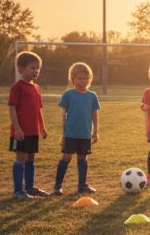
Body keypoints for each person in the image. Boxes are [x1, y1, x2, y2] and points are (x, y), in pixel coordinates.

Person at [53, 62, 101, 196]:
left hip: (85, 134)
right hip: (70, 134)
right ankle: (57, 187)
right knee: (66, 158)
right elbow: (63, 115)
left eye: (86, 78)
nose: (83, 81)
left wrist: (95, 132)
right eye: (79, 78)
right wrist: (63, 135)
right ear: (72, 79)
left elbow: (95, 115)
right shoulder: (68, 94)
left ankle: (82, 186)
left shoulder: (92, 95)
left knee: (82, 159)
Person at [8, 50, 48, 199]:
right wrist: (17, 128)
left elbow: (38, 109)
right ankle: (18, 191)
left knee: (31, 158)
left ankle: (30, 188)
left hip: (33, 131)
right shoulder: (17, 87)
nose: (36, 70)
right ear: (21, 69)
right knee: (21, 159)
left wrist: (42, 127)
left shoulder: (36, 87)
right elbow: (12, 107)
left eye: (38, 68)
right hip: (21, 131)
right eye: (32, 67)